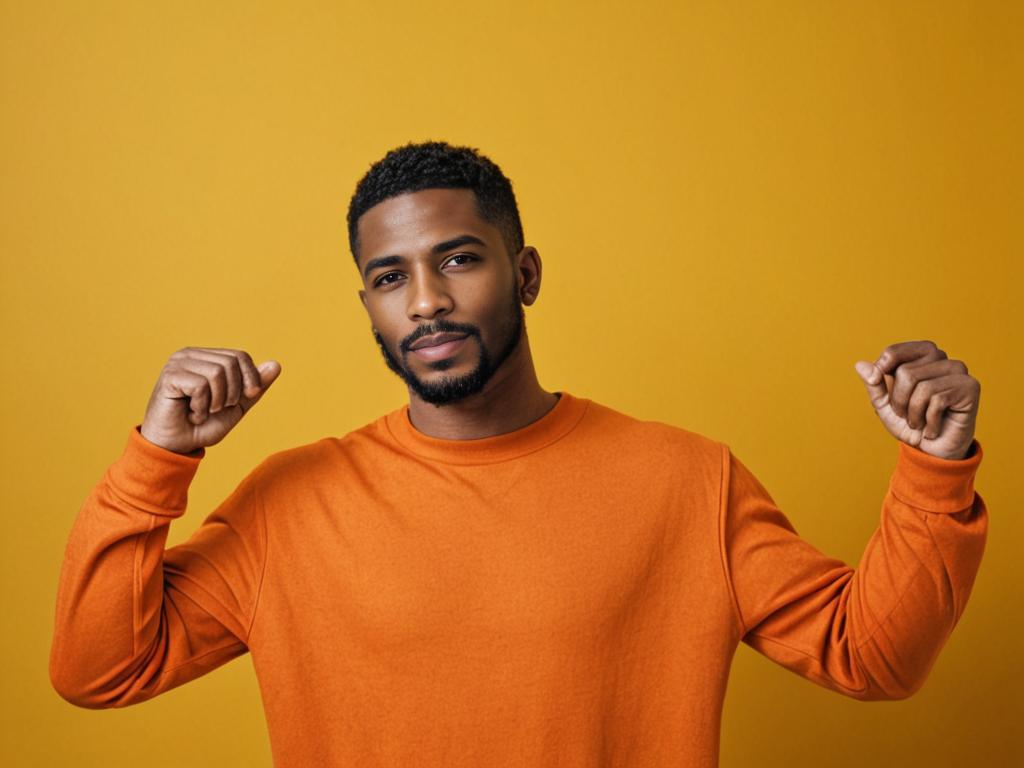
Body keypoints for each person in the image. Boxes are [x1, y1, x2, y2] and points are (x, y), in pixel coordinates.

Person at [49, 140, 987, 768]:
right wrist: (154, 461)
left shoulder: (686, 480)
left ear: (525, 272)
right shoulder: (292, 502)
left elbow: (873, 656)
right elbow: (100, 672)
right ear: (369, 305)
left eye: (459, 259)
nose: (425, 301)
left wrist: (934, 475)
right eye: (390, 278)